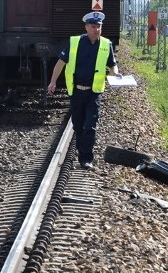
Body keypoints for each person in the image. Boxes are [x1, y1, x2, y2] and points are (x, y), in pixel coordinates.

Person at [47, 11, 121, 170]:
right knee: (78, 125)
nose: (96, 29)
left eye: (99, 26)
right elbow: (61, 63)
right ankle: (82, 152)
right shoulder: (75, 42)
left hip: (94, 93)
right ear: (86, 27)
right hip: (76, 91)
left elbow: (112, 63)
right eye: (93, 26)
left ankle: (86, 158)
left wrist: (115, 73)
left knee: (90, 125)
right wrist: (53, 81)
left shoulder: (105, 44)